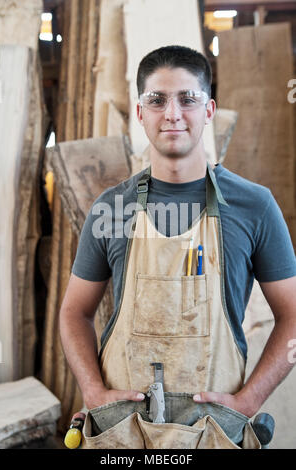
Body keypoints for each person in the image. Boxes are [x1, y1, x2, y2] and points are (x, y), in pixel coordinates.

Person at [59, 45, 296, 448]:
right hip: (122, 435)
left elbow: (293, 316)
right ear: (140, 113)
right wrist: (93, 392)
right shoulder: (113, 208)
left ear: (208, 110)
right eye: (157, 100)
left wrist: (249, 400)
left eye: (188, 99)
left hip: (214, 433)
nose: (172, 114)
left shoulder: (254, 206)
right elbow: (73, 312)